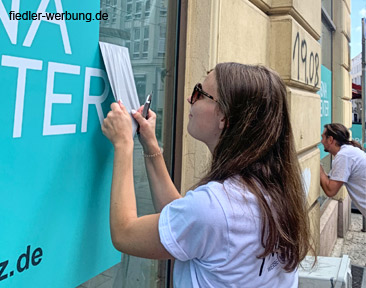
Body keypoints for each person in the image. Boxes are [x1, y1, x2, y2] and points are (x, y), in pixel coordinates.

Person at [101, 63, 313, 287]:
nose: (189, 100)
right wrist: (150, 143)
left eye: (198, 93)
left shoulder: (215, 207)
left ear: (224, 117)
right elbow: (185, 222)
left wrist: (123, 143)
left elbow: (125, 233)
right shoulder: (276, 186)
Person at [320, 123, 366, 217]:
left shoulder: (344, 155)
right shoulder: (348, 152)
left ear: (330, 139)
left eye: (323, 137)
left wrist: (317, 167)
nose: (321, 141)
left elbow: (330, 190)